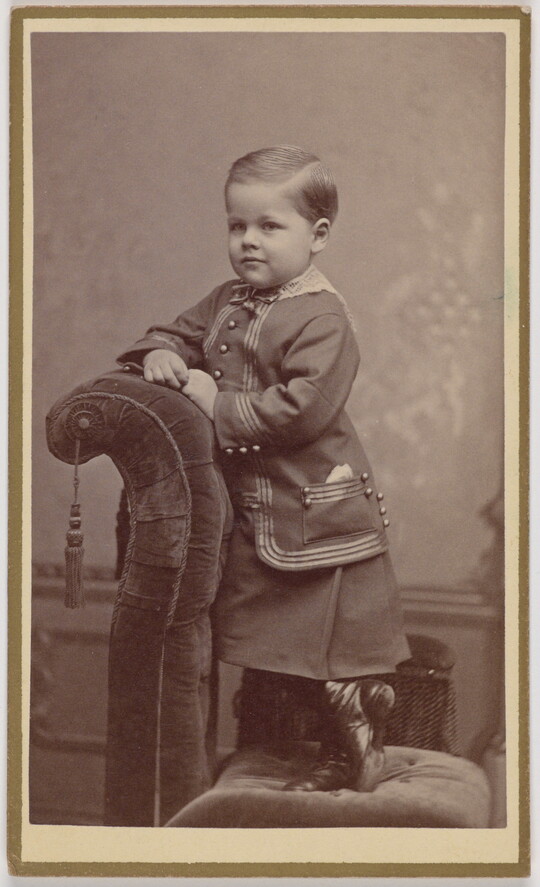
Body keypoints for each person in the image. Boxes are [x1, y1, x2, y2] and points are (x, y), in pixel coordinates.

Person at [118, 145, 410, 793]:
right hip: (257, 511)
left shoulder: (323, 316)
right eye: (236, 224)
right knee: (269, 643)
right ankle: (326, 733)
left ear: (319, 235)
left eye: (269, 226)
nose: (248, 241)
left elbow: (304, 411)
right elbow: (178, 329)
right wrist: (162, 354)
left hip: (316, 511)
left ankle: (355, 741)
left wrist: (215, 404)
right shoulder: (230, 297)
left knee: (322, 647)